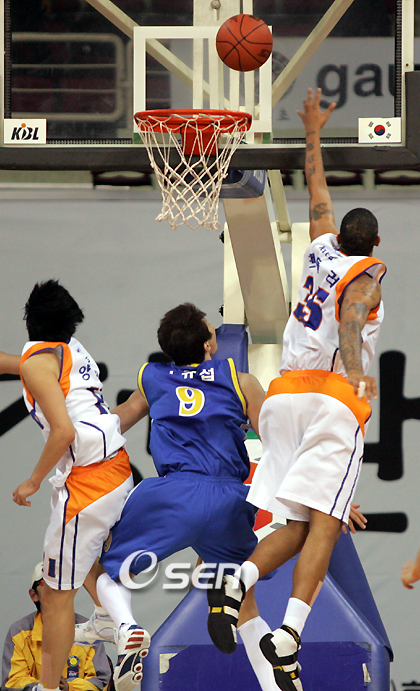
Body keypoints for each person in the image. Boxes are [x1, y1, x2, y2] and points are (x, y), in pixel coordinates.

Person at [206, 87, 386, 691]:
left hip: (283, 397)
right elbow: (353, 318)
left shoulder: (319, 246)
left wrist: (312, 131)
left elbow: (317, 189)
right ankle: (288, 632)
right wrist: (356, 371)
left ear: (338, 235)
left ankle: (239, 581)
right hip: (330, 396)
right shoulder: (368, 273)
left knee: (297, 524)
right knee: (327, 525)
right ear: (376, 245)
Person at [74, 302, 283, 691]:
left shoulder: (153, 379)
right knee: (245, 601)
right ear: (208, 345)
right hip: (227, 498)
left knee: (89, 554)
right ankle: (274, 683)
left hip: (172, 495)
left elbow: (117, 420)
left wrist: (71, 438)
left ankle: (122, 627)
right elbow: (278, 445)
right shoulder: (242, 381)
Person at [0, 281, 135, 691]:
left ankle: (55, 684)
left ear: (27, 321)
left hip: (87, 484)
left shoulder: (38, 364)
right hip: (116, 470)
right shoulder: (70, 350)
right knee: (82, 563)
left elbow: (63, 431)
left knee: (54, 597)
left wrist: (32, 481)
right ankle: (115, 620)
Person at [1, 563, 113, 691]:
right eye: (46, 583)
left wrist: (69, 687)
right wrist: (42, 688)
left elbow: (101, 682)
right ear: (34, 595)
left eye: (61, 583)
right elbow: (12, 682)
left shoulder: (89, 629)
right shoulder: (19, 632)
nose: (56, 589)